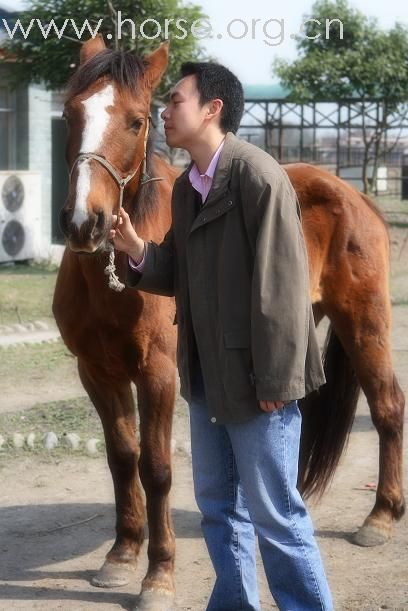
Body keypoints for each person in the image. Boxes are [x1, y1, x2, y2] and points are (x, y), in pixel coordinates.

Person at [110, 61, 333, 611]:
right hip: (207, 376)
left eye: (176, 100)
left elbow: (283, 284)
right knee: (216, 506)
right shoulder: (187, 188)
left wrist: (278, 378)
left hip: (260, 382)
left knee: (275, 514)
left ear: (213, 109)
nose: (164, 111)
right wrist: (139, 251)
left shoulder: (257, 176)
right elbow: (181, 272)